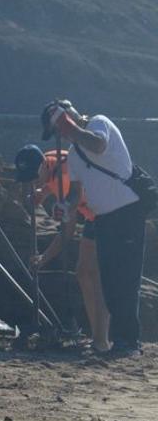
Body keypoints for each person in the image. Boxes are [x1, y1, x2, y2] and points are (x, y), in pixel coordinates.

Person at [43, 99, 148, 358]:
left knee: (126, 278)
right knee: (110, 280)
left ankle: (128, 342)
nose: (60, 134)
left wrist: (71, 128)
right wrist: (64, 207)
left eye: (59, 127)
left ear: (68, 118)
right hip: (103, 218)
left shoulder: (100, 123)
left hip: (127, 212)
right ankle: (116, 341)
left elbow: (98, 145)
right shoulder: (74, 153)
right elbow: (76, 194)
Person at [28, 147, 109, 353]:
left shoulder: (64, 171)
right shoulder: (50, 167)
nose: (32, 183)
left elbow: (68, 229)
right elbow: (50, 185)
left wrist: (43, 258)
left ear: (43, 165)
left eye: (32, 177)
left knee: (98, 277)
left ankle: (102, 339)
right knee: (83, 272)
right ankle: (97, 335)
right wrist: (42, 193)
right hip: (93, 217)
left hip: (107, 214)